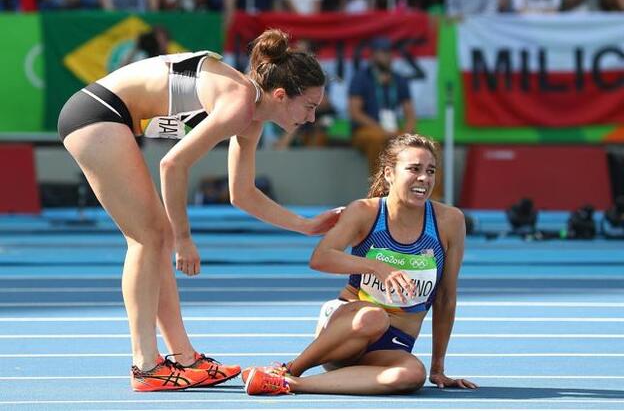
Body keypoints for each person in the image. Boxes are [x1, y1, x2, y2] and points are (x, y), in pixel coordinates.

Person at [57, 28, 342, 392]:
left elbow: (243, 194)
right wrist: (184, 239)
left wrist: (306, 225)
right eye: (310, 106)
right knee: (149, 238)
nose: (313, 118)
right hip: (97, 114)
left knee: (154, 238)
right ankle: (145, 365)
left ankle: (185, 359)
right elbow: (172, 166)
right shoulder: (239, 102)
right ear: (282, 96)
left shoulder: (251, 116)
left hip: (106, 117)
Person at [243, 133, 477, 395]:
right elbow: (320, 258)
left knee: (412, 374)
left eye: (430, 171)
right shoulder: (366, 212)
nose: (424, 178)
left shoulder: (450, 221)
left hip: (392, 346)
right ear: (389, 173)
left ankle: (288, 384)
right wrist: (376, 266)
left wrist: (437, 368)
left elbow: (445, 297)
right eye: (414, 169)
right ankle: (288, 369)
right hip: (346, 330)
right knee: (373, 317)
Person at [349, 37, 416, 174]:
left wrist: (407, 133)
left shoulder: (399, 79)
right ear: (373, 56)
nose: (387, 56)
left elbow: (410, 112)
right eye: (383, 52)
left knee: (421, 144)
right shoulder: (361, 77)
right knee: (378, 138)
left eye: (389, 52)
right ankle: (379, 187)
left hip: (392, 129)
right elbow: (355, 112)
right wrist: (380, 129)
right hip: (367, 130)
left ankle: (434, 194)